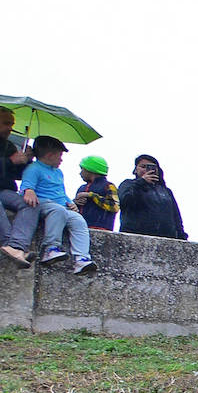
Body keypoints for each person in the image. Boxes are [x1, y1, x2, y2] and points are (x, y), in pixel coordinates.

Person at [20, 136, 95, 274]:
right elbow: (27, 186)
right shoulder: (34, 169)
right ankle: (50, 248)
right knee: (58, 210)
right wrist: (28, 191)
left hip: (60, 205)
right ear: (49, 155)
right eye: (59, 156)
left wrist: (70, 202)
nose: (61, 159)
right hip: (43, 203)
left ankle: (81, 258)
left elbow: (61, 192)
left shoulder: (58, 173)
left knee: (78, 220)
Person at [0, 107, 39, 267]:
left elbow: (15, 174)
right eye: (6, 123)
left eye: (12, 124)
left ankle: (16, 246)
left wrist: (26, 160)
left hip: (4, 190)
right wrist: (10, 161)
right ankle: (9, 244)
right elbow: (9, 165)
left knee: (31, 205)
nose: (11, 128)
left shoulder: (8, 146)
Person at [118, 154, 188, 240]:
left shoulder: (165, 191)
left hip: (166, 240)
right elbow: (125, 201)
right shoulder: (128, 184)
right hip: (136, 238)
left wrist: (182, 237)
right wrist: (142, 182)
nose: (146, 169)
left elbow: (176, 216)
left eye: (152, 167)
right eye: (143, 166)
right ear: (135, 170)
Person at [74, 155, 119, 232]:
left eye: (82, 169)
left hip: (102, 229)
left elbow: (114, 207)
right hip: (80, 228)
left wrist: (92, 196)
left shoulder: (108, 186)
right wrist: (75, 203)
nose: (80, 173)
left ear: (90, 170)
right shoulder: (82, 188)